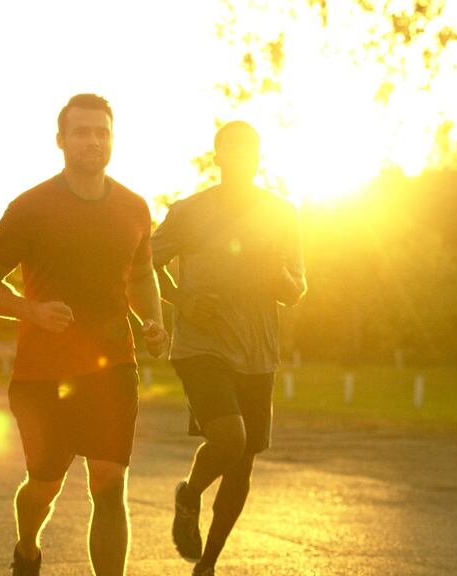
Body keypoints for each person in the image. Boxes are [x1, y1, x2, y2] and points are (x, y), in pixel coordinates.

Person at [0, 93, 169, 576]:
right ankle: (27, 546)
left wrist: (153, 320)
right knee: (44, 485)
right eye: (81, 132)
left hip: (112, 366)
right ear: (60, 140)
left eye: (102, 132)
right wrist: (31, 310)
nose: (93, 140)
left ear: (113, 138)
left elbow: (142, 273)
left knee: (108, 484)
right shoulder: (30, 207)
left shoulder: (134, 207)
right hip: (43, 372)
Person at [151, 121, 306, 576]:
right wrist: (182, 300)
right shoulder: (189, 212)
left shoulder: (282, 213)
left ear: (258, 157)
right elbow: (142, 264)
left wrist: (279, 275)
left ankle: (207, 566)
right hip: (201, 346)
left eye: (248, 150)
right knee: (230, 440)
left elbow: (296, 289)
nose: (239, 158)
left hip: (257, 352)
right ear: (217, 156)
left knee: (241, 466)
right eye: (231, 150)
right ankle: (190, 493)